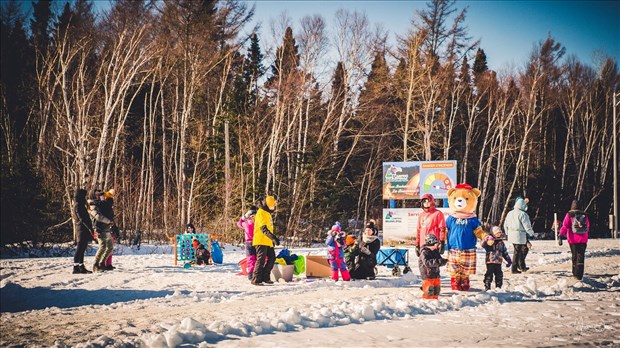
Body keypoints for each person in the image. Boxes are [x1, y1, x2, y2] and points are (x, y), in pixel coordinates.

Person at [559, 200, 590, 280]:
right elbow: (588, 226)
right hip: (583, 239)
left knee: (574, 255)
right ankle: (579, 275)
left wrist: (561, 234)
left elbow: (565, 226)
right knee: (581, 256)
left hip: (572, 239)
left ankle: (575, 272)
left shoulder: (569, 214)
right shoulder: (584, 215)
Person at [251, 196, 279, 286]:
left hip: (267, 241)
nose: (272, 209)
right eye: (270, 207)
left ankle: (265, 277)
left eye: (272, 207)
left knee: (272, 258)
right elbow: (264, 229)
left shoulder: (268, 213)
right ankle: (256, 279)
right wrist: (273, 238)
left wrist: (271, 240)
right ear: (266, 204)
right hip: (260, 240)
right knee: (261, 260)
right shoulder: (261, 212)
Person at [503, 197, 534, 274]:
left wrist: (507, 233)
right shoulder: (523, 214)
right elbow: (527, 226)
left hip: (511, 234)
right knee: (518, 252)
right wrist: (531, 233)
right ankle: (514, 268)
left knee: (519, 251)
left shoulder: (510, 213)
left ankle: (522, 266)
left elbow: (505, 224)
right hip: (519, 235)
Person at [87, 188, 114, 272]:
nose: (100, 197)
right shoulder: (92, 205)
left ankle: (102, 263)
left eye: (100, 196)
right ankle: (96, 264)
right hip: (99, 228)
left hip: (106, 227)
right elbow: (98, 216)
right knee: (102, 247)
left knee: (109, 247)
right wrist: (109, 221)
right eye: (98, 195)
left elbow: (106, 206)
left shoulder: (100, 203)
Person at [481, 226, 512, 290]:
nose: (499, 234)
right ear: (493, 233)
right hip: (490, 261)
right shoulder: (490, 241)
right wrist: (485, 240)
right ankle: (487, 286)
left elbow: (504, 251)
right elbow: (483, 245)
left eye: (500, 233)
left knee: (499, 274)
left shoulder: (501, 242)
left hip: (498, 262)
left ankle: (498, 287)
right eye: (497, 233)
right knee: (489, 274)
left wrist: (508, 259)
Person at [72, 188, 95, 274]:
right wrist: (89, 227)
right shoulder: (78, 205)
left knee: (83, 248)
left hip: (84, 228)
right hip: (81, 228)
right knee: (80, 248)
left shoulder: (80, 204)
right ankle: (75, 266)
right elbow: (81, 218)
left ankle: (81, 266)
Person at [418, 234, 447, 299]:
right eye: (435, 244)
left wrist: (444, 261)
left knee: (436, 290)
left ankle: (435, 302)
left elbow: (439, 260)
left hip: (436, 274)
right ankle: (427, 302)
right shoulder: (424, 252)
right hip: (428, 275)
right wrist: (439, 261)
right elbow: (427, 262)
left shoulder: (435, 251)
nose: (437, 245)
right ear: (430, 243)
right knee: (429, 291)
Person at [237, 206, 257, 281]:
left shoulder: (246, 223)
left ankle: (251, 274)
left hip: (249, 242)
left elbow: (239, 224)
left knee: (250, 259)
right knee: (258, 259)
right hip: (257, 242)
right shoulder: (257, 222)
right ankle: (256, 273)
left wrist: (243, 217)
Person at [100, 189, 118, 271]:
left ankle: (108, 264)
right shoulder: (106, 206)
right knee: (108, 247)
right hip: (106, 228)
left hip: (108, 228)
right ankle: (105, 263)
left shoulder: (104, 205)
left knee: (109, 247)